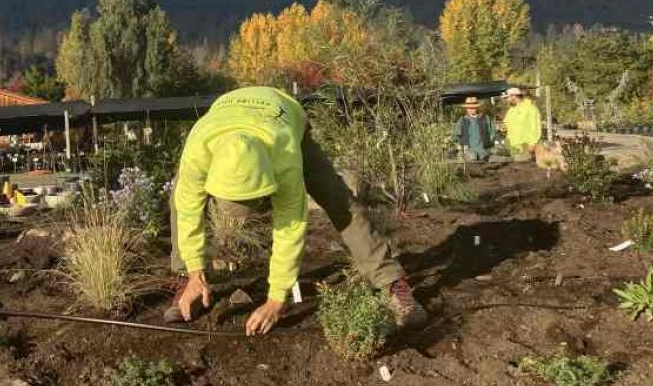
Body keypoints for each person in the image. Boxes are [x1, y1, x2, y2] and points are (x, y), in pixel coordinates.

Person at [166, 86, 427, 336]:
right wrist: (195, 271)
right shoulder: (198, 152)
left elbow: (289, 227)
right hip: (222, 117)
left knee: (338, 201)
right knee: (179, 201)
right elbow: (189, 211)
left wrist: (276, 299)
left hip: (283, 116)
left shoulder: (285, 151)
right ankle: (187, 281)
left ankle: (391, 281)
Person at [502, 87, 542, 161]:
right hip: (513, 147)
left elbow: (536, 126)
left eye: (507, 97)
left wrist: (533, 143)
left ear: (513, 96)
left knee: (523, 169)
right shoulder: (511, 111)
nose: (506, 100)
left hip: (525, 146)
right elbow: (505, 124)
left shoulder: (531, 108)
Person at [455, 97, 496, 162]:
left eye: (473, 107)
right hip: (468, 154)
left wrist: (488, 147)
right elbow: (457, 137)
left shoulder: (486, 118)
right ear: (466, 108)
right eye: (469, 107)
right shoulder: (461, 120)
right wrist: (460, 152)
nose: (471, 109)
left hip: (484, 154)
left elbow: (493, 134)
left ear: (477, 107)